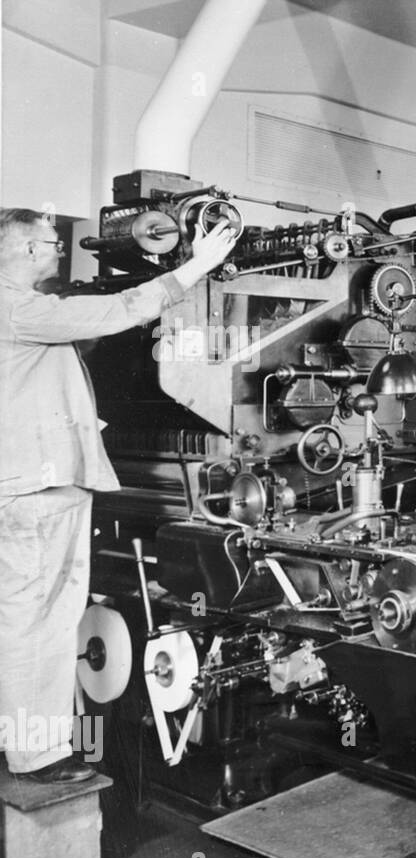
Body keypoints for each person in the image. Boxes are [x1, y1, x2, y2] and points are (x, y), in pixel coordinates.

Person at [0, 207, 237, 783]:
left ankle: (26, 742)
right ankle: (38, 756)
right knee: (43, 621)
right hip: (39, 489)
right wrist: (197, 266)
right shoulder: (18, 306)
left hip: (27, 485)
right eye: (53, 244)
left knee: (25, 617)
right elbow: (118, 310)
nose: (61, 252)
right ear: (27, 251)